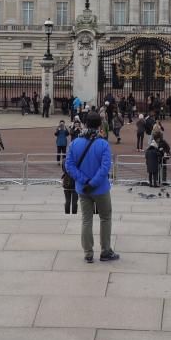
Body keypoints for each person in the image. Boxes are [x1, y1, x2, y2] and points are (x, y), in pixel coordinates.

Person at [64, 112, 118, 263]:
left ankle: (88, 253)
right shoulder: (103, 144)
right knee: (105, 218)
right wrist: (93, 182)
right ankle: (105, 251)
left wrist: (84, 180)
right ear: (99, 125)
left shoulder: (75, 143)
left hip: (83, 188)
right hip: (100, 188)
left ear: (85, 124)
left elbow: (69, 166)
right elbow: (105, 167)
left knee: (86, 220)